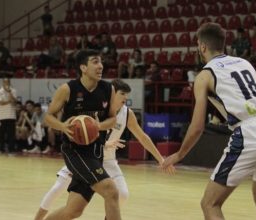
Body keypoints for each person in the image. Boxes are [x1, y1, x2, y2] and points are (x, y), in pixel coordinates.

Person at [162, 22, 256, 219]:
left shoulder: (204, 76)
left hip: (249, 133)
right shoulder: (244, 63)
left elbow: (197, 127)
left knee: (210, 203)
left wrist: (179, 154)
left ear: (202, 46)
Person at [34, 79, 174, 220]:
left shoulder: (127, 114)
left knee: (122, 195)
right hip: (86, 158)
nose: (126, 98)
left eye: (127, 95)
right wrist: (104, 143)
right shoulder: (96, 108)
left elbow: (143, 137)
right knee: (58, 190)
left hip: (108, 161)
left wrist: (161, 159)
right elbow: (81, 135)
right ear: (112, 93)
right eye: (122, 94)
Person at [43, 49, 119, 220]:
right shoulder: (68, 89)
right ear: (83, 67)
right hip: (75, 152)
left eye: (101, 62)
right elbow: (48, 116)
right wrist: (62, 126)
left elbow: (113, 119)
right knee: (111, 191)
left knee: (73, 211)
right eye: (95, 62)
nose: (100, 66)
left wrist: (97, 126)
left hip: (96, 152)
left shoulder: (108, 89)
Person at [0, 78, 17, 155]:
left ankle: (11, 150)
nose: (6, 83)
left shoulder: (13, 90)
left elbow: (15, 101)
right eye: (5, 82)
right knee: (2, 134)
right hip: (2, 116)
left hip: (11, 115)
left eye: (8, 82)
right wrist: (9, 101)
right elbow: (0, 102)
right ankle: (1, 150)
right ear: (3, 83)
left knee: (11, 134)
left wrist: (9, 93)